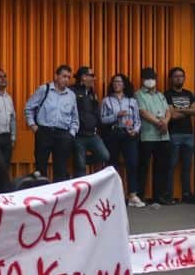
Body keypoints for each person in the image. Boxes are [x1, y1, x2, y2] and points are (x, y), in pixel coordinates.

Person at [25, 65, 80, 182]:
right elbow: (29, 107)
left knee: (61, 169)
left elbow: (75, 117)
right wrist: (33, 126)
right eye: (64, 76)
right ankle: (42, 195)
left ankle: (58, 198)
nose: (66, 79)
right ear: (56, 76)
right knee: (41, 166)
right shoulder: (44, 89)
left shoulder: (71, 95)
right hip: (44, 132)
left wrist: (71, 134)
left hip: (63, 134)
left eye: (68, 77)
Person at [98, 72, 141, 202]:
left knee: (132, 163)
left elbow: (137, 119)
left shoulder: (132, 100)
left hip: (128, 133)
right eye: (115, 82)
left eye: (120, 82)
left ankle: (132, 194)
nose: (117, 84)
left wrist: (136, 130)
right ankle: (113, 196)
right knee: (112, 164)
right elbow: (102, 120)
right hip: (113, 133)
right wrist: (117, 115)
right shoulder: (106, 100)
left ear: (124, 84)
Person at [135, 67, 172, 205]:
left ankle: (159, 196)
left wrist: (165, 122)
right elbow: (143, 113)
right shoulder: (138, 94)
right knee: (143, 166)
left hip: (163, 136)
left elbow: (168, 111)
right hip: (147, 135)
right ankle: (141, 195)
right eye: (147, 78)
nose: (150, 81)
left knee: (161, 167)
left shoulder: (160, 95)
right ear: (143, 80)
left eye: (152, 78)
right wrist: (160, 123)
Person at [165, 67, 195, 203]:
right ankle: (169, 194)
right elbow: (172, 115)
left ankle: (187, 193)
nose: (179, 78)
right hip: (174, 134)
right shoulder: (167, 95)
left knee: (187, 166)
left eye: (181, 76)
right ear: (171, 79)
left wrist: (181, 109)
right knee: (172, 165)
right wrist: (189, 110)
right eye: (176, 76)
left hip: (189, 134)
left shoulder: (189, 94)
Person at [73, 67, 109, 175]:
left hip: (92, 134)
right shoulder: (72, 91)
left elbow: (96, 112)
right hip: (78, 135)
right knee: (80, 167)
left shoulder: (92, 93)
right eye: (92, 76)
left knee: (104, 155)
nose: (95, 78)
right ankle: (82, 190)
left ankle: (82, 159)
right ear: (84, 77)